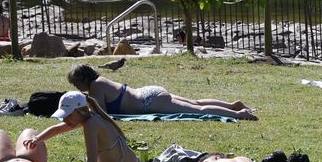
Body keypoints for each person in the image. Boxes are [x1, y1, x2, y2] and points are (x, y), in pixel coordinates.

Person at [30, 91, 141, 162]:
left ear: (79, 111)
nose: (64, 119)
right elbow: (56, 129)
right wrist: (37, 139)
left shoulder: (90, 125)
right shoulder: (94, 116)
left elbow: (91, 161)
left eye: (67, 115)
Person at [68, 63, 257, 120]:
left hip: (149, 102)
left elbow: (101, 115)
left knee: (197, 111)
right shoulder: (101, 81)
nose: (76, 88)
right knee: (196, 103)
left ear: (84, 79)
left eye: (76, 84)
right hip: (149, 93)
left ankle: (238, 114)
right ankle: (232, 105)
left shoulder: (96, 87)